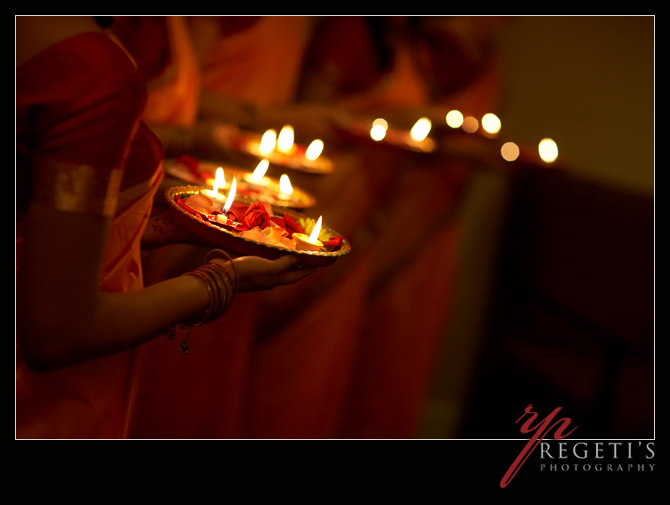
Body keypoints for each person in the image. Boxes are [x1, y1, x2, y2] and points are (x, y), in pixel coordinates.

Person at [15, 15, 315, 438]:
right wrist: (221, 281)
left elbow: (46, 226)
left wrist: (166, 221)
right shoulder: (92, 70)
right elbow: (57, 332)